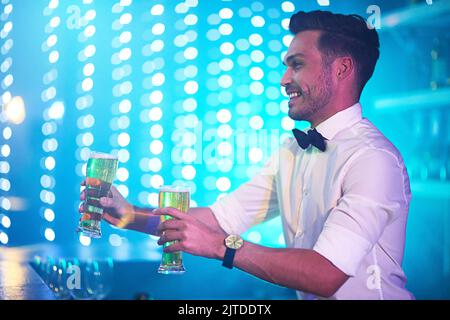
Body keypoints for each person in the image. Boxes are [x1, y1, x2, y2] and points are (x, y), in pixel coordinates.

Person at [80, 10, 413, 300]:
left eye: (297, 65)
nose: (285, 80)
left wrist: (220, 246)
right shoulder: (292, 151)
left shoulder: (373, 159)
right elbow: (220, 217)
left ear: (341, 69)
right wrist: (127, 214)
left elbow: (325, 274)